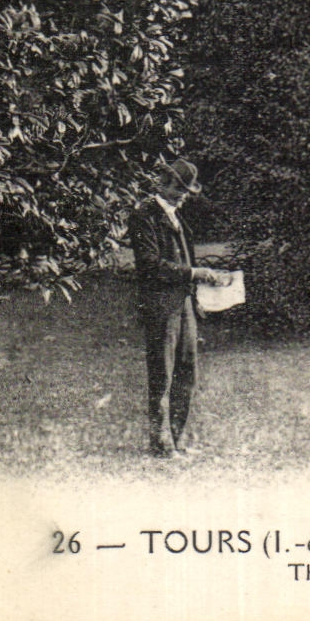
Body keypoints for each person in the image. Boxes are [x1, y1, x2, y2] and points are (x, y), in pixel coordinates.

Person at [128, 159, 229, 458]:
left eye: (186, 191)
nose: (183, 196)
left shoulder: (176, 216)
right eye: (178, 189)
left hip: (183, 304)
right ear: (162, 183)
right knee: (162, 375)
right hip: (160, 307)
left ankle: (178, 440)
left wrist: (198, 290)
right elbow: (150, 265)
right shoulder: (144, 216)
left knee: (186, 374)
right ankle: (161, 445)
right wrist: (194, 273)